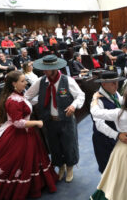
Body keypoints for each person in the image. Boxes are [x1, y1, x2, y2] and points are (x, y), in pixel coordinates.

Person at [0, 71, 58, 199]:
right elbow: (18, 123)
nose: (26, 83)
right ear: (14, 83)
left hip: (26, 133)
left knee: (30, 160)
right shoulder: (13, 100)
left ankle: (34, 185)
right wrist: (37, 122)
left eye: (25, 80)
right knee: (15, 162)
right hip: (18, 135)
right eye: (23, 81)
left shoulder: (18, 95)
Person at [25, 55, 85, 183]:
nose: (44, 71)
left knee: (69, 145)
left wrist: (74, 105)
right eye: (44, 69)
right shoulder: (40, 82)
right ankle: (60, 166)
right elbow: (26, 97)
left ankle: (70, 168)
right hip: (49, 121)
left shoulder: (67, 80)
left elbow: (80, 95)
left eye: (47, 69)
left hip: (66, 121)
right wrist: (39, 101)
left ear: (55, 68)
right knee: (54, 146)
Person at [91, 71, 127, 173]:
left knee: (119, 165)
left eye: (117, 82)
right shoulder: (97, 99)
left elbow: (119, 100)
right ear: (104, 84)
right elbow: (99, 125)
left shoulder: (113, 92)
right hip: (103, 140)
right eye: (113, 83)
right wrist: (117, 135)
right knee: (108, 169)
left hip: (115, 135)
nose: (116, 85)